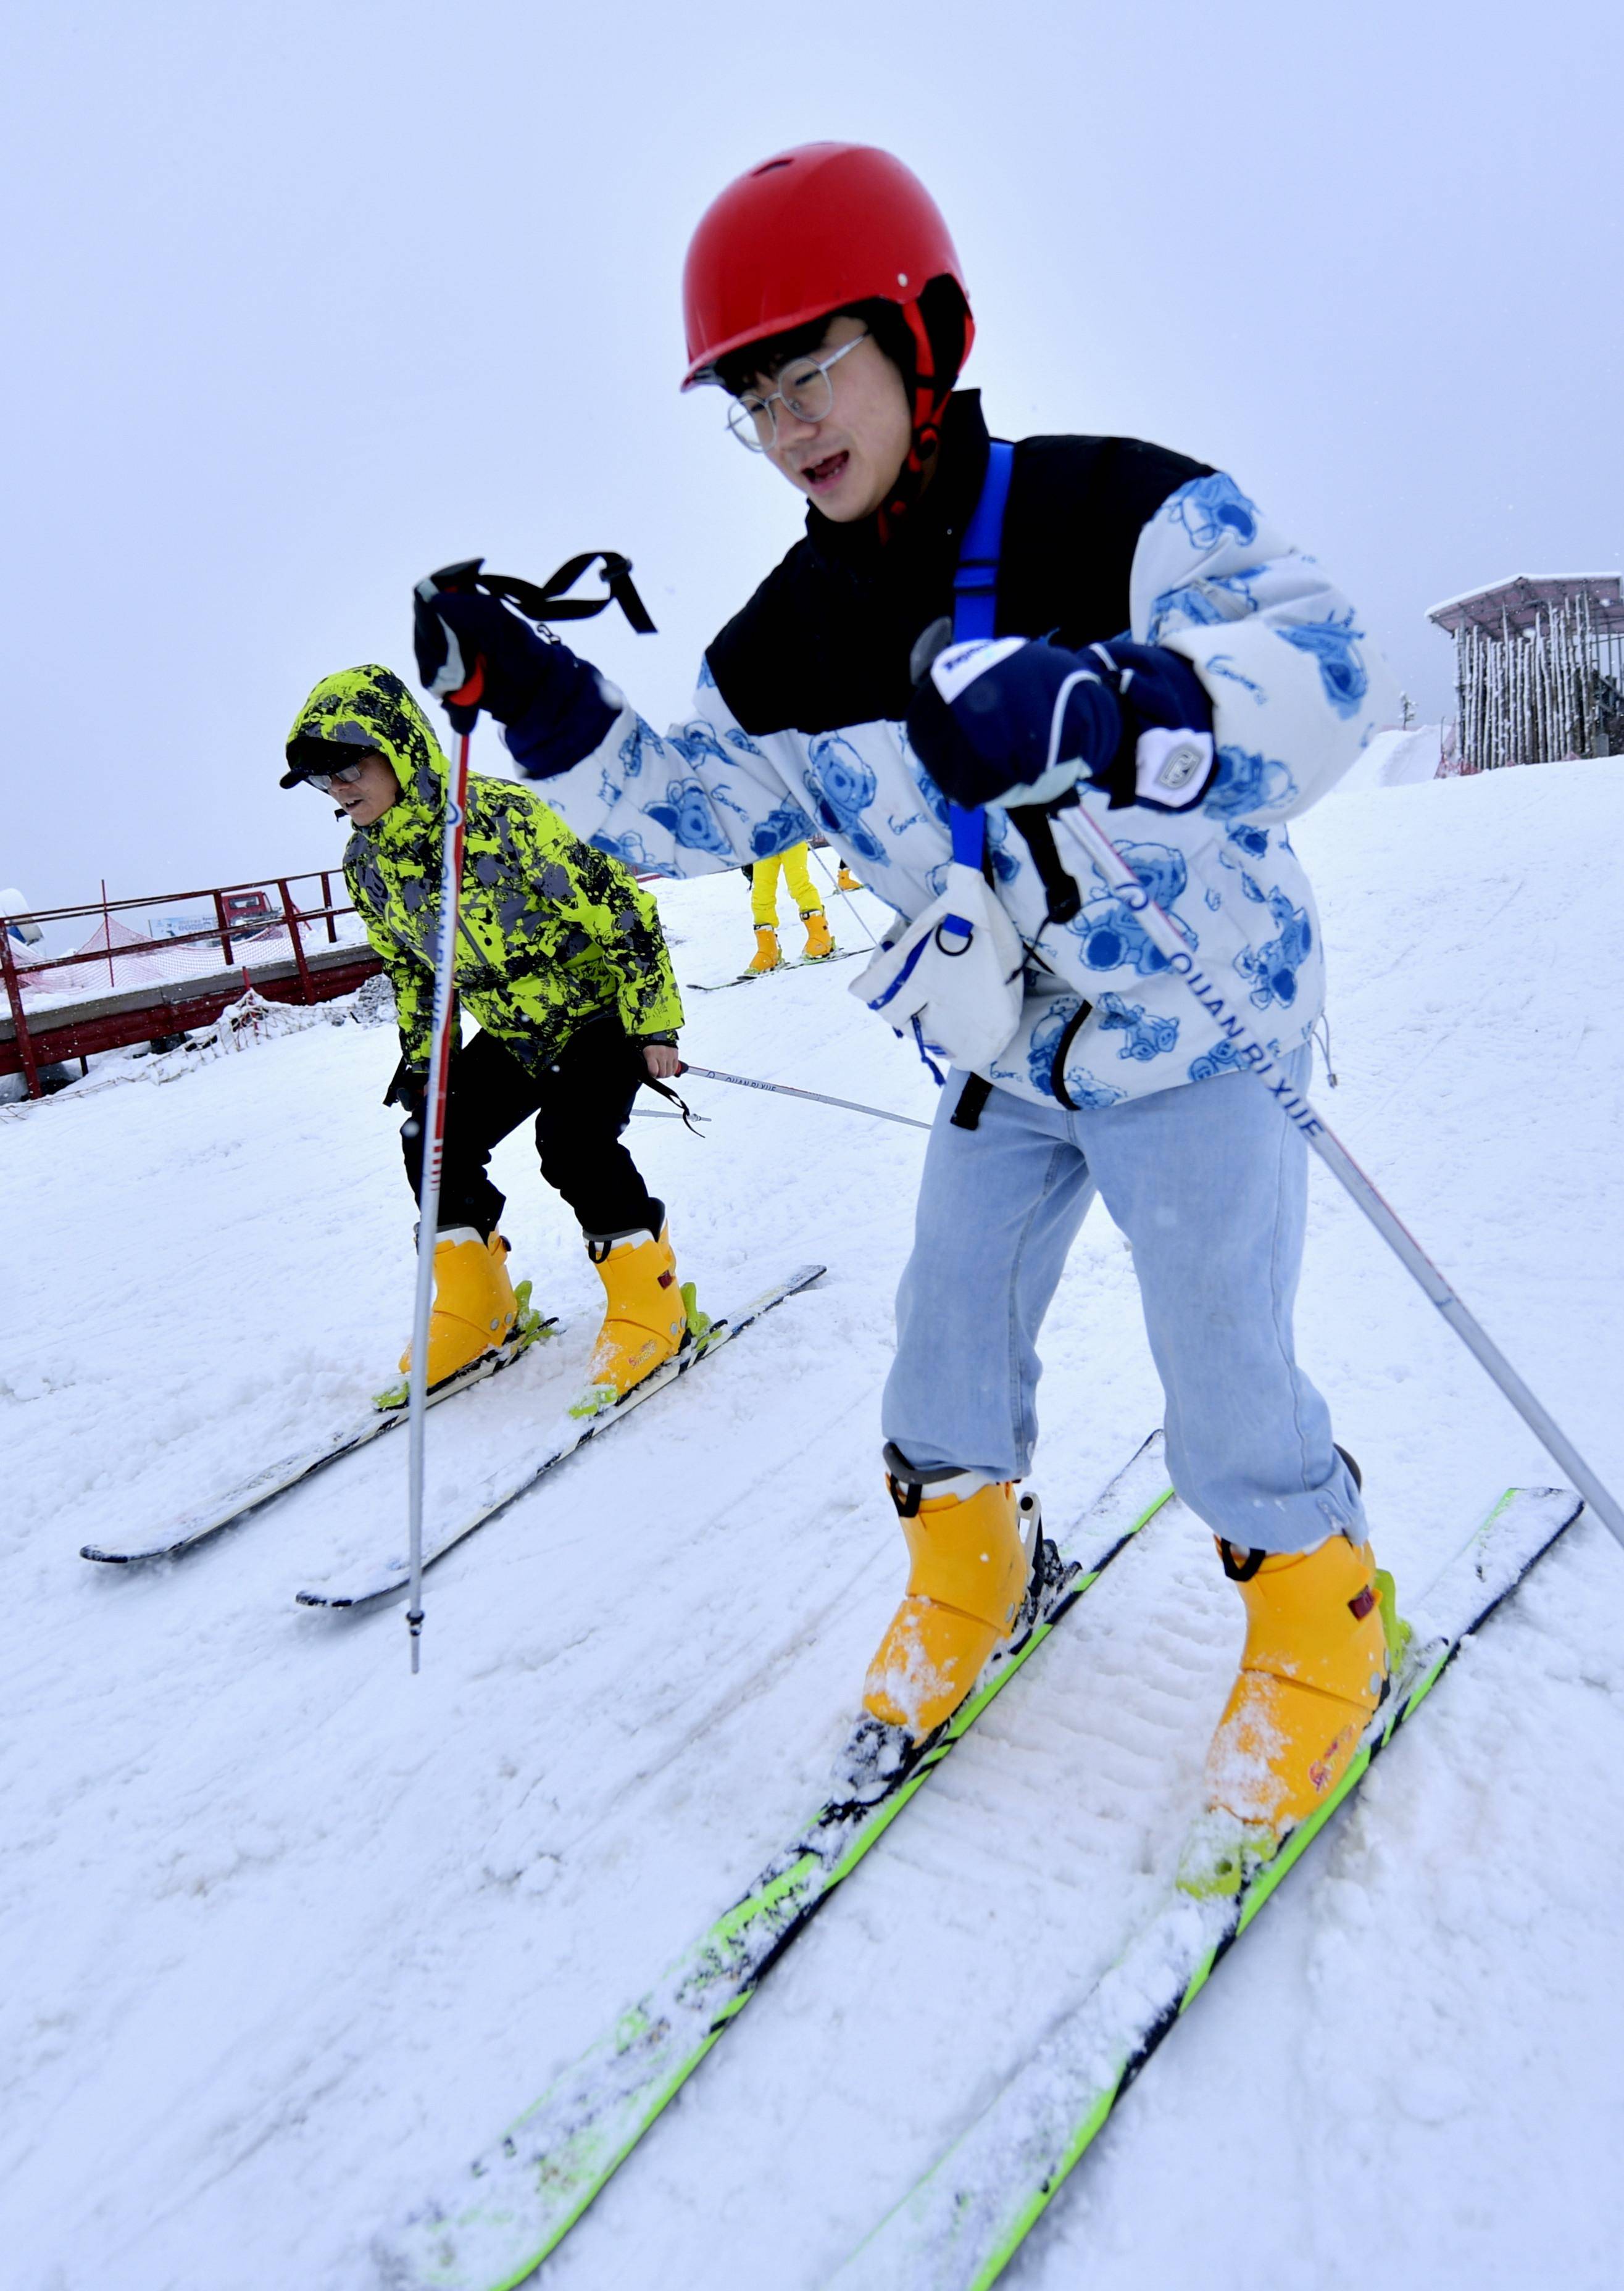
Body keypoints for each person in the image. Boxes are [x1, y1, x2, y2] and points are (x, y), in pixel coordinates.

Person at [411, 143, 1401, 1882]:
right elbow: (684, 815)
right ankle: (966, 1564)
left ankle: (1320, 1609)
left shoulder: (1120, 513)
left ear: (921, 334)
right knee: (940, 1336)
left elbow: (1322, 674)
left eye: (814, 371)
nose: (789, 424)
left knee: (1219, 1362)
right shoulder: (785, 639)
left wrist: (1122, 695)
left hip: (1192, 1031)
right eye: (749, 398)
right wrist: (542, 694)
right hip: (1006, 1055)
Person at [281, 663, 698, 1414]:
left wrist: (653, 1024)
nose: (340, 791)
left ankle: (653, 1302)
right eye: (324, 781)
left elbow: (624, 911)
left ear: (400, 751)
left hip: (595, 1013)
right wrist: (422, 1064)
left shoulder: (501, 819)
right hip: (513, 1028)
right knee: (431, 1136)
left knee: (572, 1141)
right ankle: (479, 1305)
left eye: (349, 767)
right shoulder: (367, 866)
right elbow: (413, 971)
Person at [744, 840, 835, 973]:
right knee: (761, 894)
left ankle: (821, 937)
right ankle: (768, 952)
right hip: (763, 842)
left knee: (798, 884)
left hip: (792, 835)